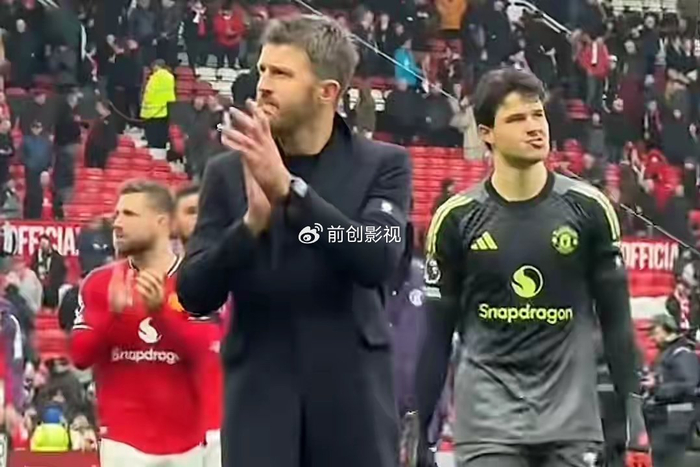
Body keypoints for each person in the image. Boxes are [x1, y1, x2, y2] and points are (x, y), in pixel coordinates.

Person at [177, 14, 411, 467]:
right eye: (263, 70)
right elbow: (193, 292)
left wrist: (290, 193)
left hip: (353, 404)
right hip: (259, 402)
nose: (263, 85)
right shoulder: (227, 171)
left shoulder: (383, 165)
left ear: (327, 92)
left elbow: (376, 256)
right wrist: (250, 227)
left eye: (281, 74)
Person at [415, 68, 641, 467]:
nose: (535, 127)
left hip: (572, 428)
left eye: (538, 115)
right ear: (486, 133)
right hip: (487, 429)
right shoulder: (455, 219)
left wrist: (632, 417)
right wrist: (419, 429)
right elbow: (436, 337)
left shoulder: (590, 210)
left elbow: (618, 324)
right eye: (517, 118)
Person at [70, 180, 206, 467]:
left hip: (189, 444)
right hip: (123, 442)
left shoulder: (196, 280)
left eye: (129, 215)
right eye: (117, 215)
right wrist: (113, 316)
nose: (117, 224)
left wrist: (162, 315)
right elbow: (80, 356)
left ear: (161, 222)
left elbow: (207, 356)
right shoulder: (99, 283)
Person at [172, 184, 223, 467]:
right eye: (191, 211)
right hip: (175, 434)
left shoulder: (238, 274)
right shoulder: (159, 283)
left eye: (204, 211)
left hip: (227, 428)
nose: (199, 219)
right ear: (172, 222)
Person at [642, 314, 699, 467]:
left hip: (676, 424)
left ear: (667, 330)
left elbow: (690, 385)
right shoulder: (667, 354)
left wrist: (657, 386)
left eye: (655, 332)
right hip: (663, 422)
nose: (652, 338)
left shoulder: (682, 353)